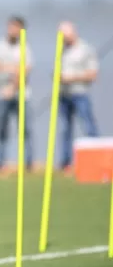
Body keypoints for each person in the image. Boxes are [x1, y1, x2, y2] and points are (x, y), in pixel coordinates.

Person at [0, 16, 34, 174]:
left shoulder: (25, 48)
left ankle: (28, 164)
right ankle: (0, 164)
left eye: (16, 27)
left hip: (21, 94)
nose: (13, 30)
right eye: (11, 26)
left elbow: (25, 70)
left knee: (25, 130)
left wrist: (13, 87)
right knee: (1, 130)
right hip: (0, 94)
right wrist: (12, 68)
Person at [57, 21, 99, 172]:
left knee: (88, 126)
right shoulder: (61, 50)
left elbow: (92, 75)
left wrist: (70, 78)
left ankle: (96, 160)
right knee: (65, 129)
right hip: (63, 95)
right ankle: (65, 163)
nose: (62, 38)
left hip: (80, 93)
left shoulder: (85, 49)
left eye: (64, 35)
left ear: (72, 33)